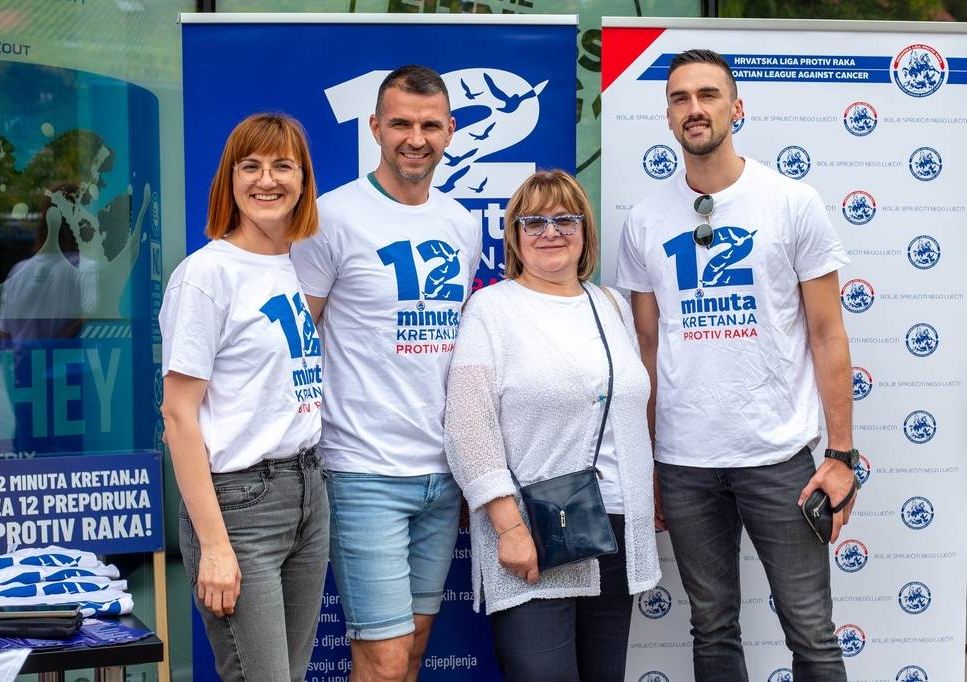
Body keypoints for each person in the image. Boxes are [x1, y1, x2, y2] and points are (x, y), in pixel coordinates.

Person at [616, 49, 857, 680]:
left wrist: (841, 454)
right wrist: (646, 461)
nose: (694, 109)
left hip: (780, 457)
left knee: (811, 630)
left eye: (708, 95)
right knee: (712, 626)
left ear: (736, 107)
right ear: (668, 116)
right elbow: (647, 347)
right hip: (685, 460)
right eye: (679, 98)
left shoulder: (791, 202)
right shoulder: (643, 221)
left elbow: (829, 334)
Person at [290, 65, 481, 682]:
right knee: (383, 657)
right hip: (362, 471)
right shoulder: (330, 218)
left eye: (430, 125)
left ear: (451, 130)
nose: (415, 138)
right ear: (375, 127)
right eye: (400, 123)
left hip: (441, 474)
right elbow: (296, 341)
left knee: (415, 647)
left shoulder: (461, 222)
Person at [445, 170, 661, 681]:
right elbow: (468, 425)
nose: (551, 231)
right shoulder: (491, 309)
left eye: (566, 219)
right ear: (515, 236)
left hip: (617, 529)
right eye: (534, 221)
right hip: (537, 534)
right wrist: (509, 527)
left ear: (585, 231)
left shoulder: (611, 306)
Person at [160, 113, 327, 682]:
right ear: (228, 180)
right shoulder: (206, 275)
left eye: (284, 165)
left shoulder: (293, 265)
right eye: (249, 166)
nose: (267, 180)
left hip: (308, 490)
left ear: (304, 179)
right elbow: (179, 418)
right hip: (239, 504)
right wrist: (214, 546)